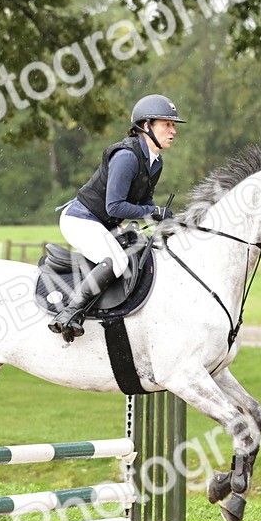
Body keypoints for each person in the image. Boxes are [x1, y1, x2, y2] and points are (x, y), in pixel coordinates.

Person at [48, 94, 184, 342]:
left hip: (101, 222)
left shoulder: (155, 162)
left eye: (173, 125)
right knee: (117, 261)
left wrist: (165, 219)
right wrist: (152, 213)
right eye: (166, 124)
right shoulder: (127, 157)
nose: (173, 131)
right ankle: (68, 315)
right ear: (146, 126)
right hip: (81, 219)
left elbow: (144, 204)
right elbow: (115, 207)